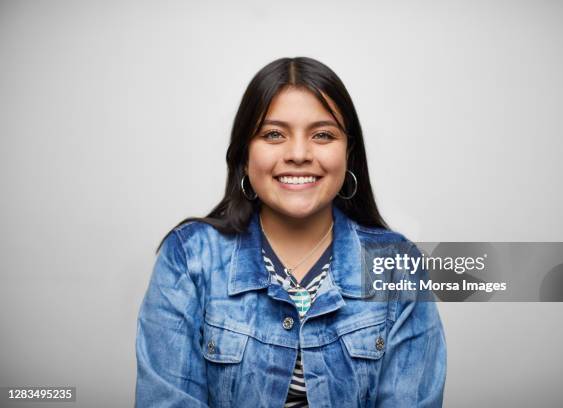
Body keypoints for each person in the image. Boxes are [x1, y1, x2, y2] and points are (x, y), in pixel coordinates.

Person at [135, 56, 446, 407]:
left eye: (323, 135)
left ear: (348, 152)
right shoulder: (189, 258)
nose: (298, 154)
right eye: (273, 134)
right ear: (244, 153)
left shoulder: (397, 267)